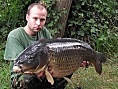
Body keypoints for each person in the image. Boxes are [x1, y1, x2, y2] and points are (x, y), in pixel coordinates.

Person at [4, 3, 72, 89]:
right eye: (35, 18)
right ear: (27, 17)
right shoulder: (15, 35)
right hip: (22, 75)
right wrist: (40, 70)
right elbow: (19, 66)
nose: (38, 23)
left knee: (66, 68)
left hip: (42, 71)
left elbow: (53, 53)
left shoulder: (44, 32)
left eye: (42, 20)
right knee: (28, 79)